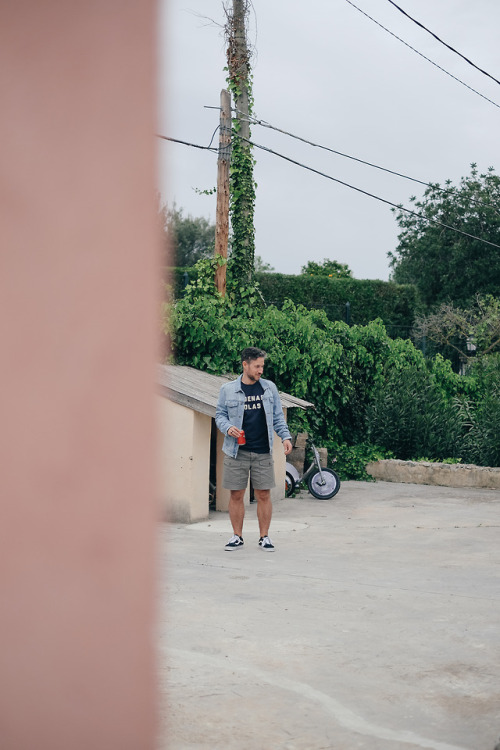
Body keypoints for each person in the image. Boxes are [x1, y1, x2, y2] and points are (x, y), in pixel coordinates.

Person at [215, 347, 293, 551]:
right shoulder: (228, 389)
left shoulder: (269, 388)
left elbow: (277, 416)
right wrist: (228, 427)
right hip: (235, 451)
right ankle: (237, 536)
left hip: (262, 451)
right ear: (245, 365)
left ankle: (264, 537)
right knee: (236, 495)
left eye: (262, 366)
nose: (260, 370)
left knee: (264, 495)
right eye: (257, 366)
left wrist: (285, 436)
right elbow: (220, 415)